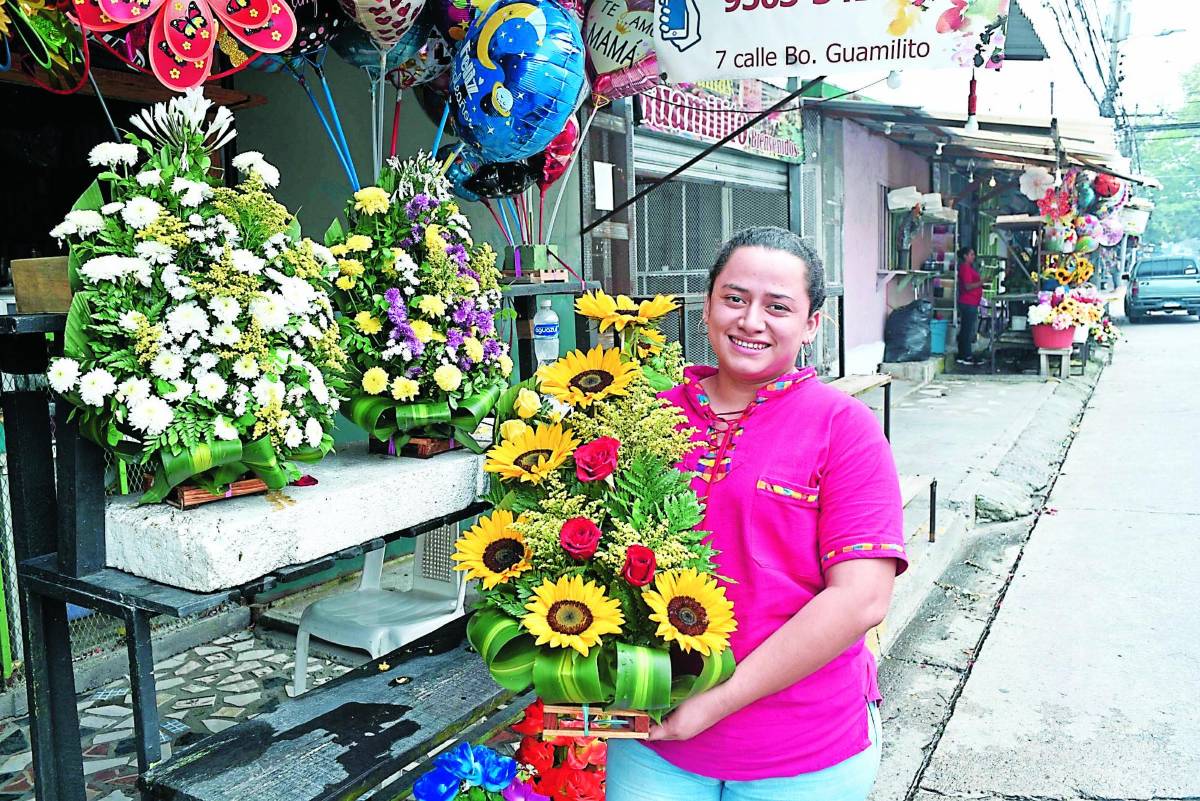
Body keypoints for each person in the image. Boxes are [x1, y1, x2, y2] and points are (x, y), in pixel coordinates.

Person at [606, 227, 908, 801]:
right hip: (653, 744)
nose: (750, 321)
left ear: (812, 323)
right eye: (735, 298)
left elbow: (861, 598)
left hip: (802, 751)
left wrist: (714, 703)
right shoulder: (646, 415)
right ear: (707, 305)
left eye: (778, 307)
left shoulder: (844, 429)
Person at [956, 246, 984, 365]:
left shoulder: (968, 268)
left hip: (971, 302)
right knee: (967, 330)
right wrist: (981, 282)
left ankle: (963, 354)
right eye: (971, 254)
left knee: (966, 329)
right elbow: (968, 286)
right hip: (968, 302)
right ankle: (965, 356)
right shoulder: (965, 268)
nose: (973, 257)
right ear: (965, 256)